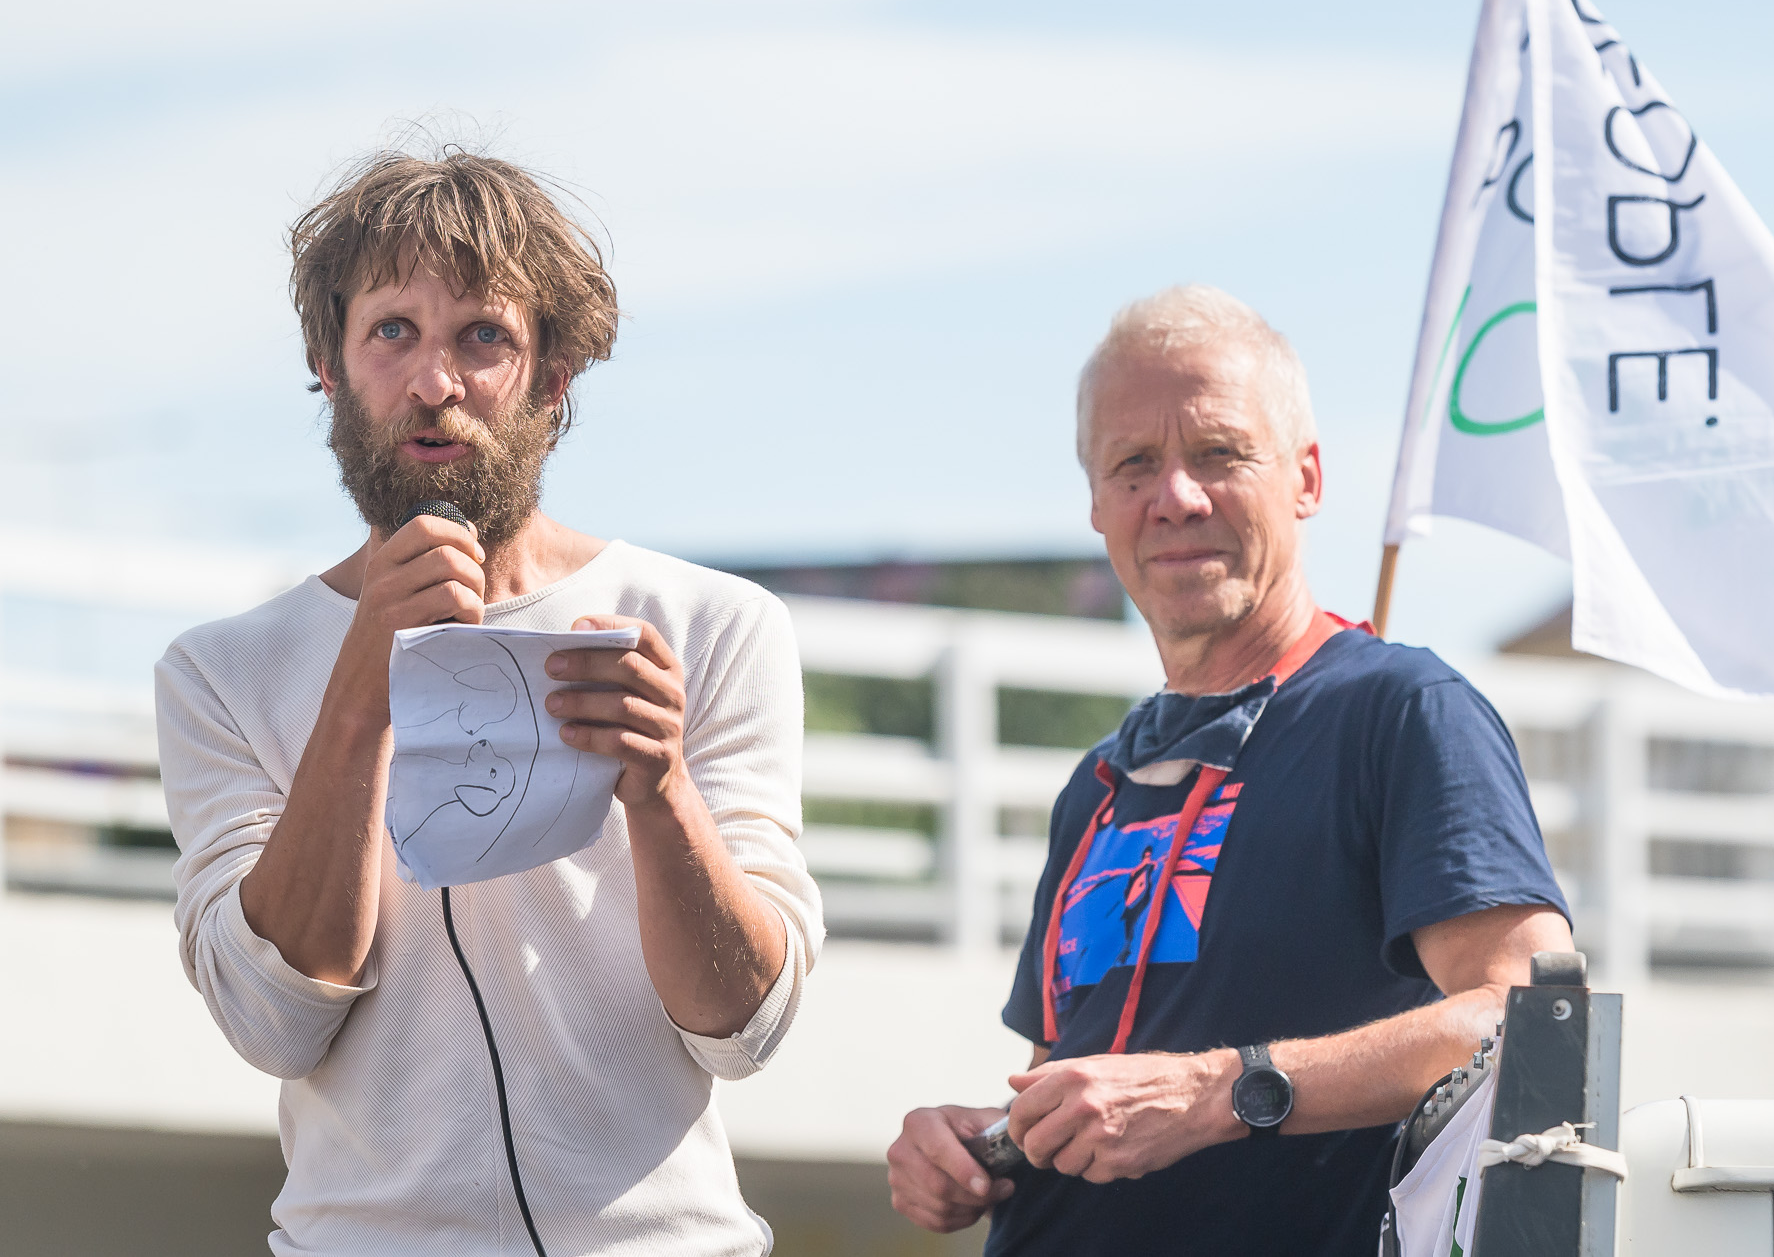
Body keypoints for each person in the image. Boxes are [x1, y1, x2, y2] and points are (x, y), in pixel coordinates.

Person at [156, 148, 823, 1256]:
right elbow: (273, 1022)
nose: (435, 382)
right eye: (392, 331)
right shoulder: (221, 671)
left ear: (553, 375)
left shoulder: (711, 624)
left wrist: (661, 790)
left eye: (483, 336)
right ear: (328, 366)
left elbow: (746, 1031)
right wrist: (360, 689)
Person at [886, 285, 1573, 1254]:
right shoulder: (1097, 785)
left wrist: (1217, 1091)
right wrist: (982, 1146)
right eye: (1134, 463)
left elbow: (1534, 1019)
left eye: (1219, 452)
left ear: (1306, 477)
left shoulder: (1403, 711)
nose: (1176, 496)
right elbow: (1081, 1089)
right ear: (1097, 504)